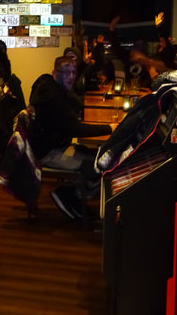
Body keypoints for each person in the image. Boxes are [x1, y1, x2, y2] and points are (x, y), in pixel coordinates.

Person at [29, 55, 117, 221]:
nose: (70, 76)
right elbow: (75, 129)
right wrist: (109, 128)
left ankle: (70, 193)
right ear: (55, 73)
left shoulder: (56, 89)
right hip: (49, 153)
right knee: (101, 166)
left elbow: (76, 108)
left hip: (56, 146)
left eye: (73, 72)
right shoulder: (53, 97)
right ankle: (70, 195)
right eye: (65, 72)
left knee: (101, 156)